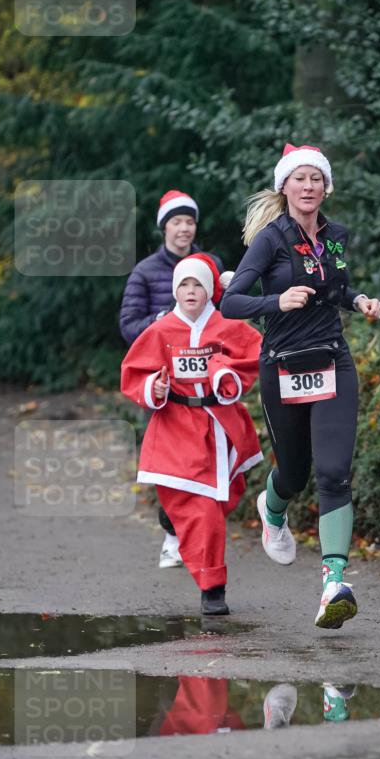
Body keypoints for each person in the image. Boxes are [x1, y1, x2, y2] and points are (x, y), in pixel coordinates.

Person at [221, 143, 380, 630]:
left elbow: (332, 287)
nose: (309, 186)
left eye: (316, 179)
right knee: (294, 473)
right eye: (300, 179)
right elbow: (231, 303)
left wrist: (359, 301)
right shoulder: (269, 240)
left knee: (334, 473)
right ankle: (272, 508)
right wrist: (276, 300)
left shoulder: (335, 236)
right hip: (283, 365)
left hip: (333, 360)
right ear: (284, 187)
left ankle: (334, 582)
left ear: (326, 187)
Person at [121, 254, 263, 625]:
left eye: (197, 284)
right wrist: (155, 385)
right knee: (204, 511)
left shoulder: (227, 325)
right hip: (175, 426)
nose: (190, 291)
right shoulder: (160, 330)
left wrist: (225, 373)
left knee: (224, 500)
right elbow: (134, 373)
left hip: (221, 425)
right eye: (183, 284)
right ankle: (212, 589)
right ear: (174, 290)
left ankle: (173, 518)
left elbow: (256, 355)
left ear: (209, 290)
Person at [119, 190, 230, 569]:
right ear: (164, 226)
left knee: (208, 458)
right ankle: (171, 534)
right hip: (164, 380)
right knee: (170, 464)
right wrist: (163, 321)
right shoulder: (146, 271)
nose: (184, 229)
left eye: (189, 222)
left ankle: (203, 532)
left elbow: (226, 316)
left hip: (208, 380)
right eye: (176, 222)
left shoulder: (210, 264)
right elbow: (128, 325)